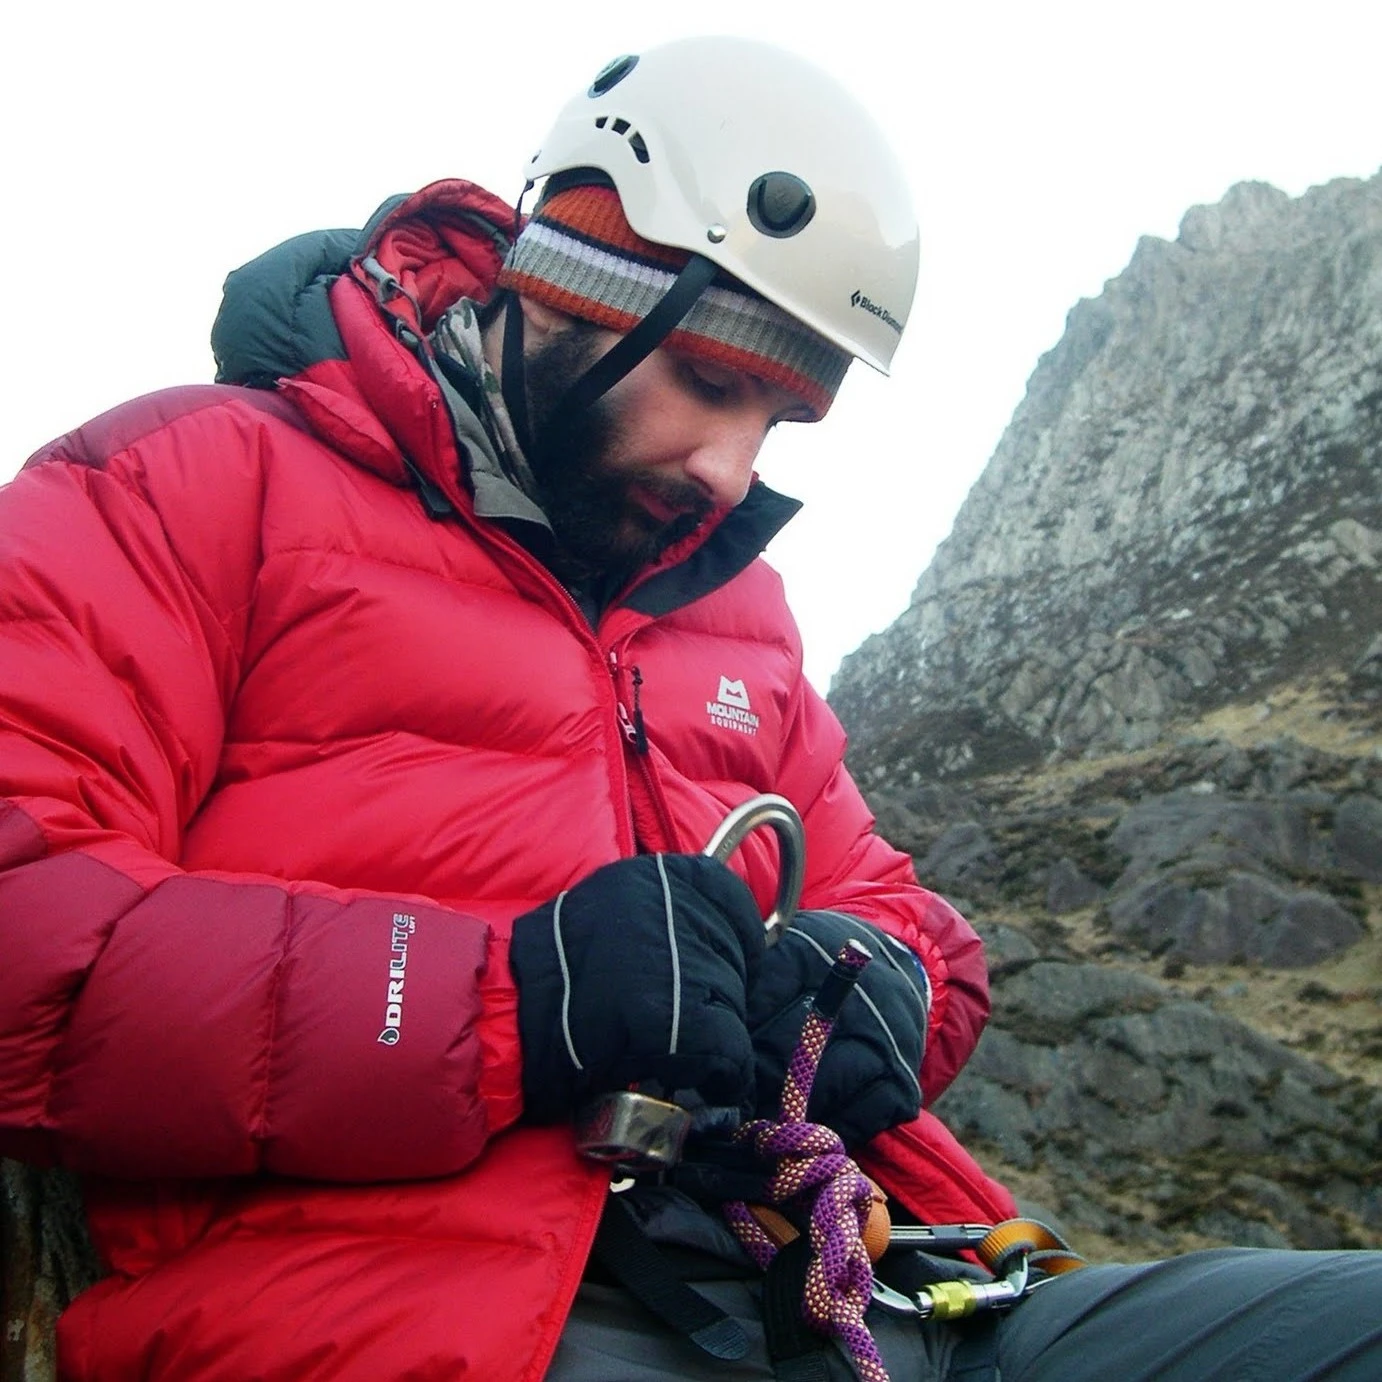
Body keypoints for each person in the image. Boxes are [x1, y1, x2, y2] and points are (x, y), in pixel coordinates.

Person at [0, 34, 1376, 1382]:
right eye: (711, 381)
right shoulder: (182, 486)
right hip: (417, 1308)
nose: (729, 468)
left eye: (779, 417)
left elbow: (895, 910)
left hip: (865, 1275)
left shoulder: (735, 609)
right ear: (569, 281)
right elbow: (25, 930)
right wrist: (516, 1000)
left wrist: (885, 986)